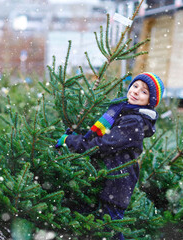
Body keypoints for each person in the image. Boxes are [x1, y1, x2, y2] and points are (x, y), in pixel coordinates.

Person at [55, 72, 165, 239]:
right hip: (106, 178)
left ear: (150, 101)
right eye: (135, 86)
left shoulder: (134, 121)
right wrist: (77, 134)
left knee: (110, 228)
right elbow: (97, 135)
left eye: (144, 91)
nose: (136, 92)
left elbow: (103, 144)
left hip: (117, 182)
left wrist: (70, 141)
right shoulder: (121, 110)